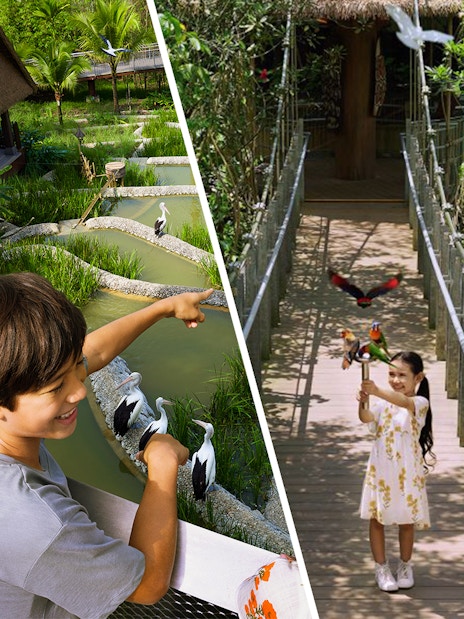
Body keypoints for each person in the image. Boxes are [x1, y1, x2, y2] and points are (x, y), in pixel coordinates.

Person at [0, 271, 213, 618]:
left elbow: (92, 352)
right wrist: (161, 465)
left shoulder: (15, 383)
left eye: (75, 369)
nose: (80, 391)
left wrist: (164, 308)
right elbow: (147, 585)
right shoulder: (38, 522)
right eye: (56, 388)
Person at [357, 351, 435, 593]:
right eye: (391, 374)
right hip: (381, 470)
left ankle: (405, 565)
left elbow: (404, 402)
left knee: (406, 520)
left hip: (407, 472)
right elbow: (366, 418)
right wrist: (363, 400)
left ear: (418, 377)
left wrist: (376, 389)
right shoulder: (382, 404)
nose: (396, 380)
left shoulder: (420, 403)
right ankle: (381, 567)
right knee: (377, 518)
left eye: (402, 375)